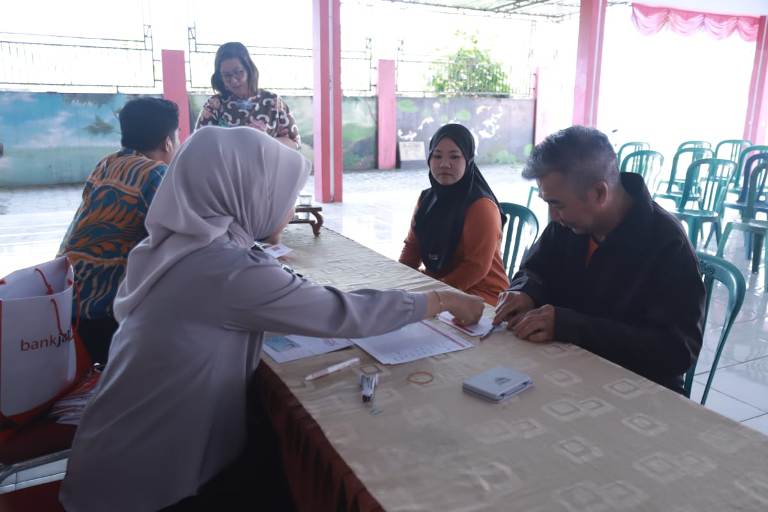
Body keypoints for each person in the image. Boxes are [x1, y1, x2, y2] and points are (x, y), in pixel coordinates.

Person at [59, 126, 484, 512]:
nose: (289, 208)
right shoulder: (225, 268)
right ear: (245, 192)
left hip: (120, 457)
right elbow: (342, 313)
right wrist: (439, 300)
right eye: (282, 193)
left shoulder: (181, 243)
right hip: (145, 488)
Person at [493, 126, 705, 393]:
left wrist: (572, 326)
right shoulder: (569, 224)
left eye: (557, 204)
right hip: (564, 371)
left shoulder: (666, 243)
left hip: (636, 391)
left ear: (599, 193)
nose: (553, 216)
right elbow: (535, 269)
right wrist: (524, 291)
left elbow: (676, 351)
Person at [58, 97, 179, 365]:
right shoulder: (155, 172)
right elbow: (179, 234)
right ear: (168, 142)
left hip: (66, 291)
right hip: (104, 306)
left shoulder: (106, 162)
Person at [399, 123, 510, 306]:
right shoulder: (426, 199)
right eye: (437, 156)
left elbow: (476, 268)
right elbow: (412, 248)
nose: (444, 164)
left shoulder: (481, 206)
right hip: (440, 285)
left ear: (468, 160)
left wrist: (435, 296)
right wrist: (398, 280)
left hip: (482, 294)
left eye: (455, 156)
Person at [195, 42, 300, 149]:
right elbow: (199, 144)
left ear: (249, 70)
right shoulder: (214, 105)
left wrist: (266, 141)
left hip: (267, 165)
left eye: (238, 72)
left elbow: (294, 143)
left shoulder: (273, 102)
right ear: (220, 77)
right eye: (227, 75)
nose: (234, 80)